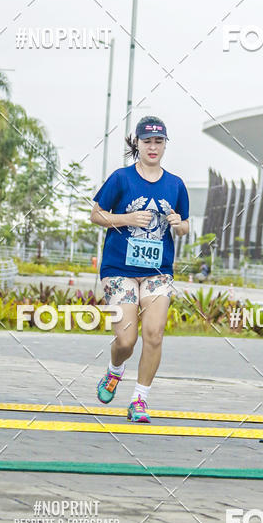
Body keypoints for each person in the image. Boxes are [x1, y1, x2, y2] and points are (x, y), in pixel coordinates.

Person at [90, 116, 189, 424]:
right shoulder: (121, 178)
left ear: (164, 145)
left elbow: (185, 224)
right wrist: (127, 220)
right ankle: (115, 370)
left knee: (154, 334)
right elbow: (95, 215)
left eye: (159, 142)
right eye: (147, 141)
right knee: (125, 341)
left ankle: (139, 400)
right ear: (138, 143)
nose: (153, 147)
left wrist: (179, 225)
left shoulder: (175, 184)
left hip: (158, 271)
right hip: (119, 268)